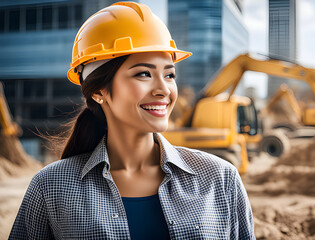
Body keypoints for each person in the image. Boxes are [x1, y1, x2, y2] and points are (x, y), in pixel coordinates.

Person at [9, 2, 255, 239]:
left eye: (169, 75)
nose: (164, 89)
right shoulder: (51, 188)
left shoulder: (220, 180)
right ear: (99, 91)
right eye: (143, 74)